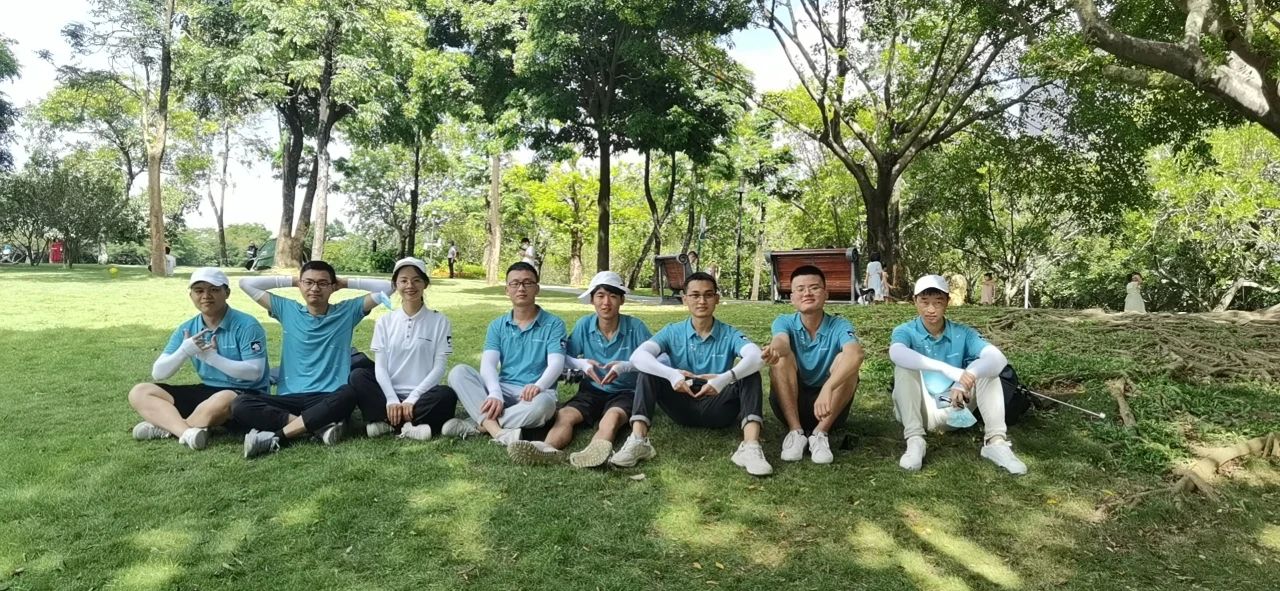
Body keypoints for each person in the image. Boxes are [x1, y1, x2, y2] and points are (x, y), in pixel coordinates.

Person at [612, 272, 773, 476]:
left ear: (717, 299)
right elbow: (638, 357)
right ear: (685, 299)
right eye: (695, 295)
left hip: (718, 406)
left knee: (750, 374)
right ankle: (638, 441)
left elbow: (757, 357)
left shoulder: (729, 333)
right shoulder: (672, 331)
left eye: (708, 295)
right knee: (647, 371)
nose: (702, 301)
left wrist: (723, 379)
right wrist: (672, 375)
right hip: (681, 403)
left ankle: (750, 447)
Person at [233, 261, 394, 458]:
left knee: (349, 394)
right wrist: (294, 281)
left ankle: (278, 436)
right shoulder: (286, 309)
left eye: (322, 283)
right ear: (300, 285)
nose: (315, 288)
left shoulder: (347, 311)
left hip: (328, 396)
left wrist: (344, 283)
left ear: (333, 287)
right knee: (240, 403)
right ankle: (319, 426)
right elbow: (245, 283)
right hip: (289, 397)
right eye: (308, 282)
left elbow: (389, 287)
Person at [506, 270, 654, 467]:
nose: (606, 302)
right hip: (591, 390)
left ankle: (593, 453)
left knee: (611, 418)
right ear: (592, 300)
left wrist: (626, 367)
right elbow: (564, 356)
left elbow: (656, 359)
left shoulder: (636, 327)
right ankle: (546, 449)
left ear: (622, 300)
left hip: (625, 392)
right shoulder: (584, 325)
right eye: (600, 296)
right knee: (565, 415)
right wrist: (581, 364)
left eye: (613, 296)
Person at [889, 275, 1026, 475]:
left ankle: (995, 442)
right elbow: (896, 353)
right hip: (917, 409)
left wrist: (966, 378)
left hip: (953, 407)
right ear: (914, 301)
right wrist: (948, 370)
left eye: (938, 302)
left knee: (988, 371)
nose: (931, 309)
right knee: (904, 366)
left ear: (947, 302)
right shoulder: (905, 331)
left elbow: (998, 358)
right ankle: (915, 440)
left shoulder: (963, 333)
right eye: (924, 302)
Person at [128, 268, 271, 450]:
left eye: (214, 290)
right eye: (199, 291)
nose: (206, 296)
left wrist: (211, 358)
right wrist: (184, 351)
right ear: (191, 295)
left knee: (224, 397)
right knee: (140, 391)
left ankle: (169, 427)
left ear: (227, 293)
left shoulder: (247, 325)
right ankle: (187, 432)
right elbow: (159, 373)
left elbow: (254, 373)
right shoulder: (187, 328)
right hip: (208, 390)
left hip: (246, 395)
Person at [444, 262, 564, 445]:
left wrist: (538, 386)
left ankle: (479, 425)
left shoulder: (554, 324)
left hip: (536, 393)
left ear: (537, 289)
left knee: (545, 406)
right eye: (515, 283)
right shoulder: (497, 325)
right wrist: (495, 393)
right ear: (507, 290)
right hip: (504, 388)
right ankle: (499, 432)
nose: (521, 288)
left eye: (527, 283)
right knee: (458, 372)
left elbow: (556, 363)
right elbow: (488, 364)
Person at [761, 266, 865, 464]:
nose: (807, 293)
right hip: (791, 404)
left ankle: (820, 434)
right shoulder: (784, 322)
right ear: (792, 298)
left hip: (829, 407)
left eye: (814, 288)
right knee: (782, 358)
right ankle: (795, 432)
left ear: (826, 294)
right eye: (800, 289)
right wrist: (774, 349)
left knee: (847, 361)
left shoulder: (839, 324)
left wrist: (828, 387)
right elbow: (781, 342)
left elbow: (856, 353)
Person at [348, 257, 458, 441]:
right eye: (404, 281)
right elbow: (380, 367)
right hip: (387, 394)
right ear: (395, 285)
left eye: (416, 280)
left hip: (422, 395)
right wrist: (391, 399)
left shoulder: (440, 321)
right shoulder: (385, 321)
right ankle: (410, 425)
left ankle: (387, 423)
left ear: (425, 284)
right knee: (358, 376)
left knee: (447, 395)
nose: (410, 286)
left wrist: (413, 398)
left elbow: (439, 367)